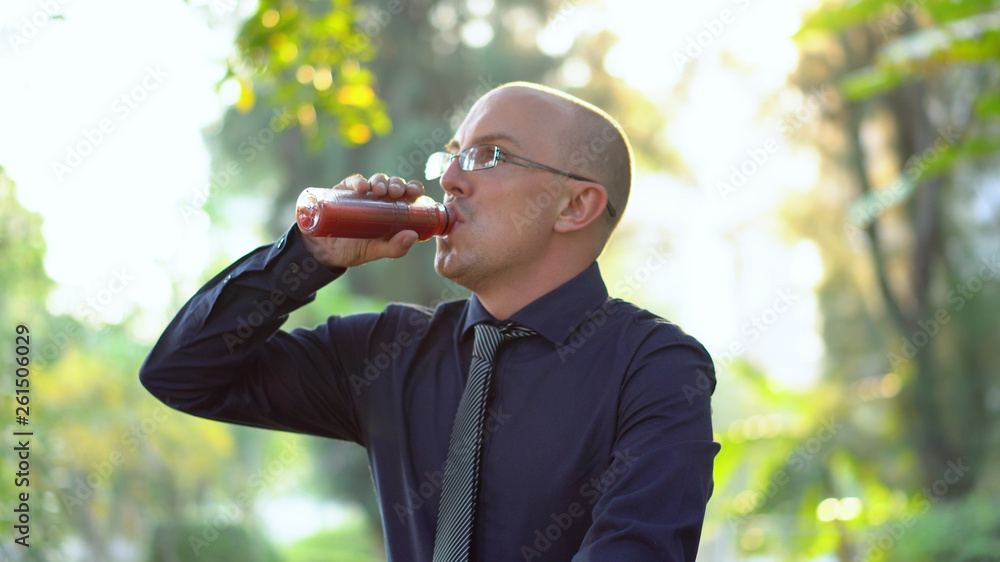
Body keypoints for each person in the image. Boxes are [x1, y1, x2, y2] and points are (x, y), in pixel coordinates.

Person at [139, 82, 719, 561]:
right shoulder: (387, 352)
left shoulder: (657, 368)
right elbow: (182, 373)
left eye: (489, 155)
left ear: (574, 206)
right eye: (454, 154)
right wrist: (306, 257)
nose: (450, 180)